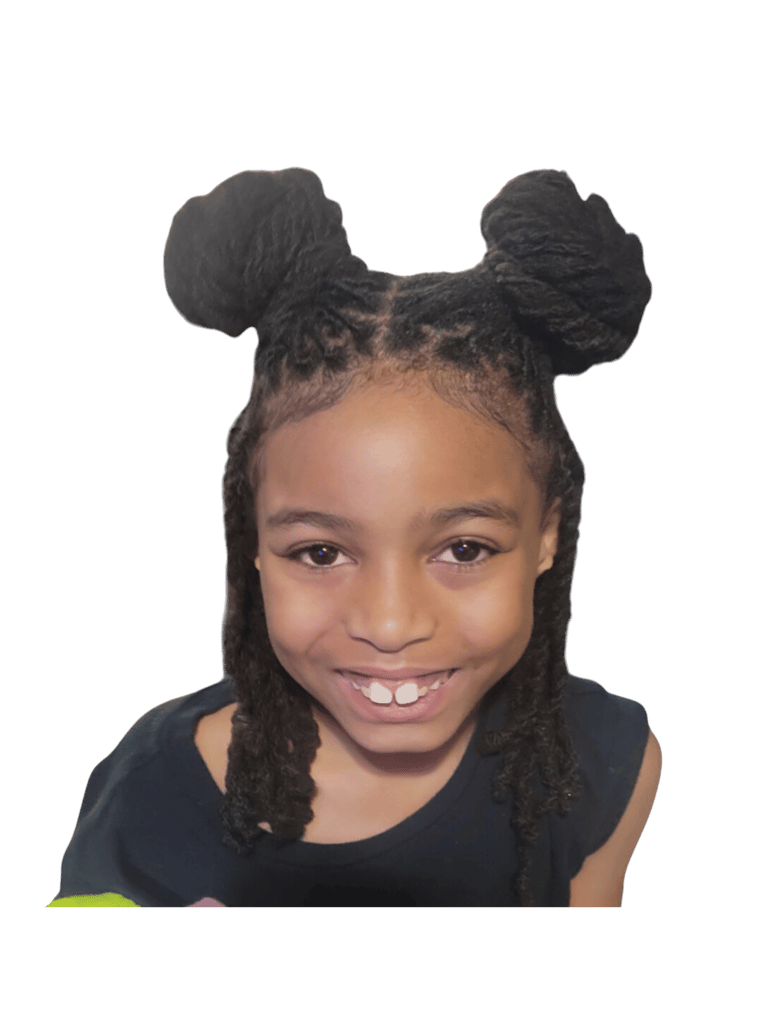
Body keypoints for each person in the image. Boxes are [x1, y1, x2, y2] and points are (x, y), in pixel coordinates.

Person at [48, 167, 662, 909]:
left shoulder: (601, 762)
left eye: (464, 549)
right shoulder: (152, 796)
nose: (390, 624)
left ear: (546, 536)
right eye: (321, 553)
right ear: (252, 541)